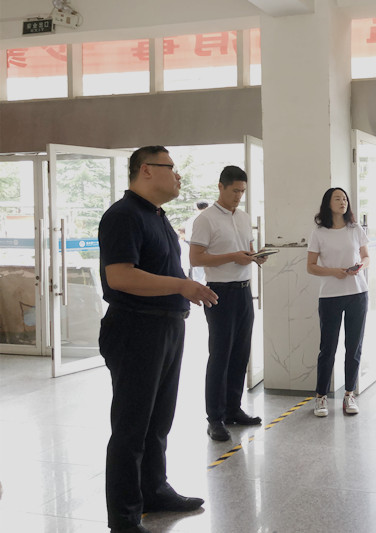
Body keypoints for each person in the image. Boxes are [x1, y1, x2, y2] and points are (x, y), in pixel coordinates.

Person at [98, 146, 218, 533]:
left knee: (158, 422)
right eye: (172, 168)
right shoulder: (123, 215)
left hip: (166, 326)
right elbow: (120, 276)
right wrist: (182, 286)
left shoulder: (157, 215)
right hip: (136, 328)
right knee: (132, 427)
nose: (178, 176)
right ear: (147, 170)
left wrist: (182, 290)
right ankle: (124, 517)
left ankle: (154, 490)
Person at [189, 166, 266, 442]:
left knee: (240, 354)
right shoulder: (206, 219)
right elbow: (196, 258)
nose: (238, 196)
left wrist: (255, 256)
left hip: (244, 290)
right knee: (220, 355)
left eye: (242, 191)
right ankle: (215, 418)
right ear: (220, 187)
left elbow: (247, 250)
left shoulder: (243, 217)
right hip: (219, 292)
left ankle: (233, 409)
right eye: (234, 191)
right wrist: (233, 256)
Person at [307, 188, 370, 417]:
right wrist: (334, 271)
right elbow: (310, 266)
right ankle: (321, 397)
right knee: (328, 348)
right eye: (337, 198)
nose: (343, 202)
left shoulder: (355, 229)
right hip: (330, 296)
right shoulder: (319, 233)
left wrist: (360, 267)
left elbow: (366, 257)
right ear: (328, 203)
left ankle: (349, 394)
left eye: (345, 199)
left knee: (354, 347)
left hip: (358, 293)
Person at [185, 201, 209, 284]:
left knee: (196, 270)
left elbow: (187, 235)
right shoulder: (205, 219)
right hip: (202, 245)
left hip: (190, 244)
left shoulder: (190, 220)